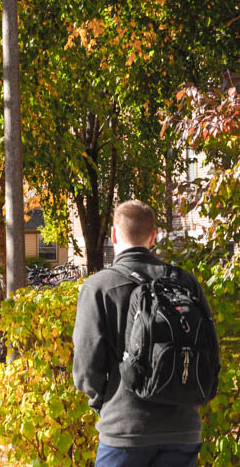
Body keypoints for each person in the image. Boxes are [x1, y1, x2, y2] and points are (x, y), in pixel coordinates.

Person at [73, 200, 220, 467]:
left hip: (124, 430)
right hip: (183, 429)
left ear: (114, 235)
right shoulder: (186, 283)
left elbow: (86, 369)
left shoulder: (99, 287)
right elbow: (212, 352)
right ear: (153, 236)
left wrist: (104, 405)